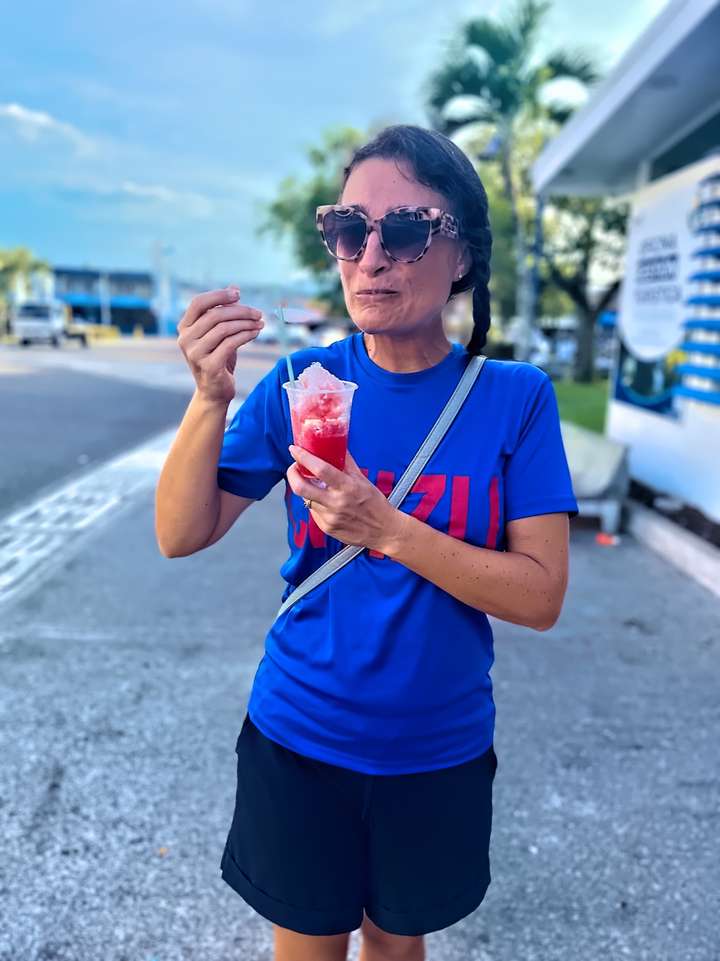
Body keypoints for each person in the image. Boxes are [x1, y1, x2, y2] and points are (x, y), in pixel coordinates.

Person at [155, 124, 578, 961]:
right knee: (308, 946)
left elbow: (540, 595)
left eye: (408, 229)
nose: (371, 255)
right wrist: (209, 397)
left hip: (437, 748)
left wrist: (385, 527)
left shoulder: (514, 399)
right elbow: (180, 532)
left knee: (395, 943)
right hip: (300, 732)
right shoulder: (302, 384)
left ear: (459, 255)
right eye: (350, 229)